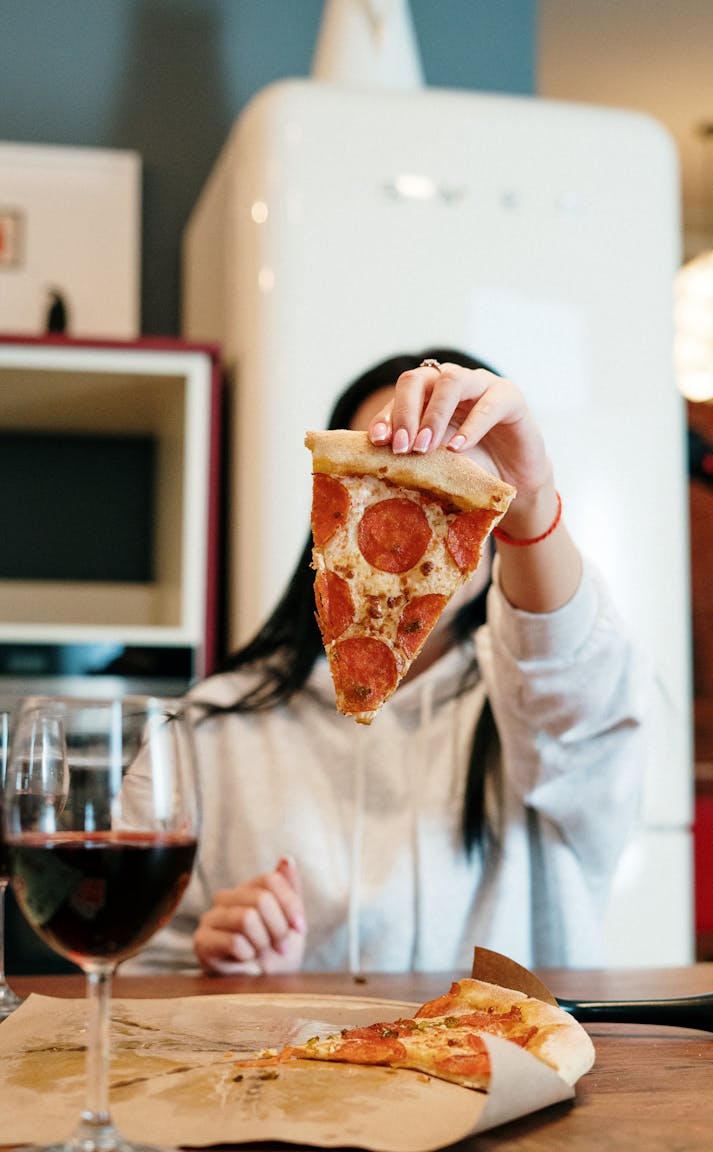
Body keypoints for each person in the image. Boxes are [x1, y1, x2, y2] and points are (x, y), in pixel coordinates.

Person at [128, 349, 652, 976]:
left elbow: (578, 690)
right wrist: (219, 963)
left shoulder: (543, 712)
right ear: (329, 514)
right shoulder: (209, 727)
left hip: (511, 1066)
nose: (411, 519)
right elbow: (125, 966)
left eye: (452, 487)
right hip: (294, 1072)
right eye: (385, 477)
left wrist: (535, 501)